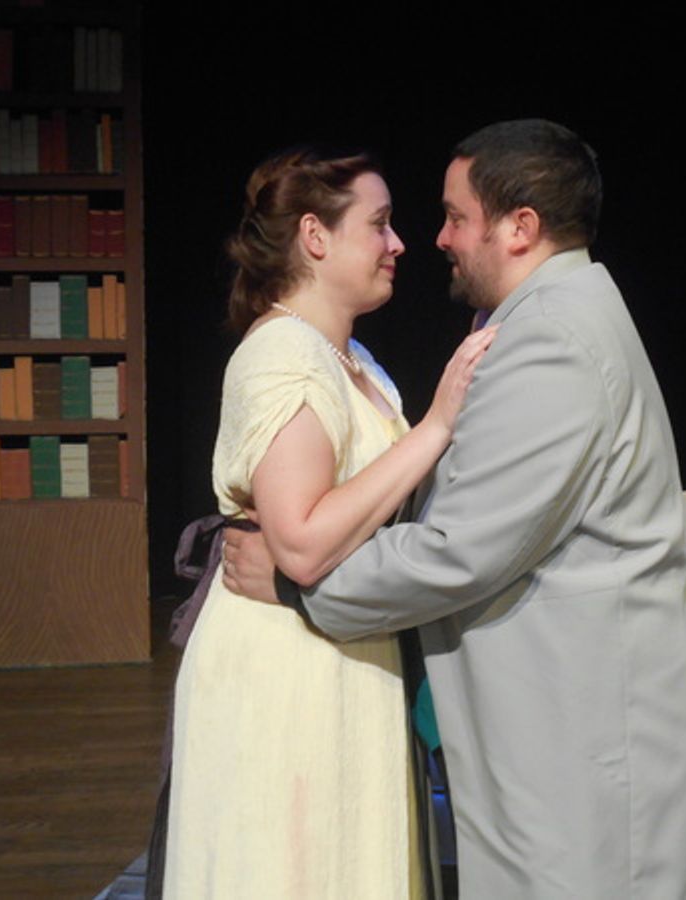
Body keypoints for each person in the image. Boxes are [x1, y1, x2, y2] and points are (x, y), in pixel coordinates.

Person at [223, 119, 686, 899]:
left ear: (520, 227)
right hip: (551, 714)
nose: (438, 239)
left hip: (575, 727)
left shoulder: (552, 337)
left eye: (456, 217)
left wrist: (298, 588)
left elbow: (461, 549)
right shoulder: (538, 317)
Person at [162, 148, 495, 899]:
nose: (398, 243)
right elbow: (304, 542)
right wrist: (436, 426)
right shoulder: (283, 355)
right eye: (378, 225)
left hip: (340, 647)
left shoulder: (348, 357)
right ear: (315, 236)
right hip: (286, 666)